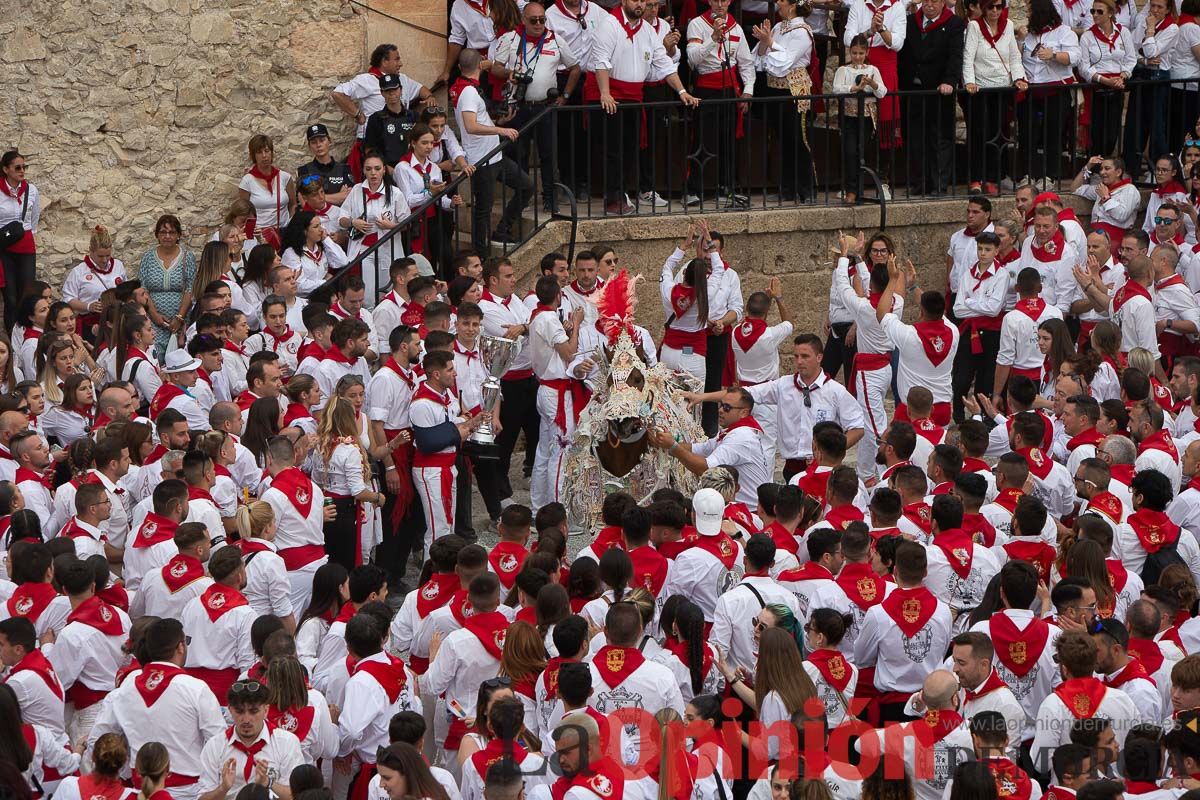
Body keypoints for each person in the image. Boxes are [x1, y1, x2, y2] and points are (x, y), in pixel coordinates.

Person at [88, 618, 225, 800]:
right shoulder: (196, 689)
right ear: (180, 647)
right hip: (190, 792)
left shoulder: (121, 693)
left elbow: (97, 743)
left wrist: (128, 772)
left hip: (142, 792)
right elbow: (219, 744)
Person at [587, 0, 699, 216]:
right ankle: (613, 198)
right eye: (635, 0)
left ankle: (622, 195)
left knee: (630, 150)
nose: (639, 4)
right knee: (614, 151)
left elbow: (664, 63)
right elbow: (600, 61)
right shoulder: (609, 24)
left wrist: (682, 91)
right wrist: (605, 93)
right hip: (611, 94)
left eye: (642, 1)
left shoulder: (647, 30)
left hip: (633, 96)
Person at [452, 50, 530, 248]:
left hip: (494, 155)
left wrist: (498, 121)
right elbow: (470, 125)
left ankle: (502, 230)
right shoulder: (469, 91)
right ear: (479, 66)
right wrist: (500, 129)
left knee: (527, 186)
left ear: (460, 68)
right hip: (482, 159)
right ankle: (481, 254)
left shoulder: (465, 87)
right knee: (483, 209)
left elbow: (477, 120)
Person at [683, 0, 755, 208]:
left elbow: (746, 63)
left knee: (728, 140)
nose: (720, 4)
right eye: (715, 0)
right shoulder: (697, 24)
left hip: (730, 89)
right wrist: (713, 39)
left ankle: (727, 188)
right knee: (702, 140)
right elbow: (693, 59)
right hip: (706, 88)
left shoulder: (736, 27)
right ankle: (693, 189)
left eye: (724, 0)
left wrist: (748, 92)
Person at [197, 679, 304, 800]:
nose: (246, 719)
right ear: (230, 710)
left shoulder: (287, 742)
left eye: (253, 711)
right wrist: (223, 788)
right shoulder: (215, 745)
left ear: (266, 710)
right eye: (240, 711)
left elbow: (297, 796)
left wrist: (269, 783)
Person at [899, 0, 964, 197]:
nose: (929, 4)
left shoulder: (953, 23)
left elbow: (955, 56)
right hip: (912, 89)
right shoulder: (910, 21)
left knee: (940, 137)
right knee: (915, 137)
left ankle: (939, 184)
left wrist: (949, 81)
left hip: (938, 90)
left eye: (934, 0)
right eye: (926, 0)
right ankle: (920, 182)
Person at [963, 4, 1027, 195]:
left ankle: (992, 178)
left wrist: (1019, 78)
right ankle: (975, 178)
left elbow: (1014, 57)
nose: (995, 11)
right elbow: (968, 57)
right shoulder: (974, 26)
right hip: (980, 89)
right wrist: (970, 82)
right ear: (984, 8)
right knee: (978, 132)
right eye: (990, 7)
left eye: (999, 7)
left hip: (1001, 87)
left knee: (998, 133)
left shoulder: (1007, 25)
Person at [1078, 0, 1136, 159]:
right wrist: (1104, 80)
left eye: (1099, 11)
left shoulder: (1123, 32)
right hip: (1097, 88)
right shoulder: (1087, 36)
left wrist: (1123, 75)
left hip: (1116, 87)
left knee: (1112, 133)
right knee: (1096, 133)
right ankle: (1093, 168)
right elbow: (1084, 66)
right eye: (1093, 11)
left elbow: (1131, 59)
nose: (1095, 15)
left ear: (1110, 13)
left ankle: (1105, 164)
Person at [833, 36, 887, 205]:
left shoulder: (872, 69)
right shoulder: (843, 70)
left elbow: (883, 92)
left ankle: (860, 189)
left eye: (861, 53)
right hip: (849, 116)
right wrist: (853, 88)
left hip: (867, 117)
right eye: (854, 53)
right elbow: (836, 89)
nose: (857, 56)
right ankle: (851, 190)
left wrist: (873, 84)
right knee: (850, 152)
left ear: (866, 52)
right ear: (850, 52)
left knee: (862, 153)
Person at [138, 214, 197, 359]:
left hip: (180, 322)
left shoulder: (187, 257)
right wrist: (155, 315)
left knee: (178, 358)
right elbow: (143, 288)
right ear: (157, 235)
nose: (167, 236)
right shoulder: (148, 258)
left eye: (171, 232)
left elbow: (190, 288)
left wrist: (179, 317)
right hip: (154, 321)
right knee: (156, 357)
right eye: (163, 232)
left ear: (178, 235)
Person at [0, 151, 40, 334]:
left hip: (25, 247)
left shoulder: (31, 191)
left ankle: (27, 336)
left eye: (24, 167)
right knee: (10, 298)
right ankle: (12, 341)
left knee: (28, 296)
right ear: (6, 169)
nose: (22, 171)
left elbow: (34, 221)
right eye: (17, 167)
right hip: (4, 248)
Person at [238, 134, 295, 251]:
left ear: (272, 152)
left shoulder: (284, 177)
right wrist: (250, 234)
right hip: (258, 235)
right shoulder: (247, 181)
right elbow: (243, 211)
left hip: (283, 232)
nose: (264, 156)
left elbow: (293, 204)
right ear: (253, 155)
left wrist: (291, 224)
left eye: (267, 151)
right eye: (259, 152)